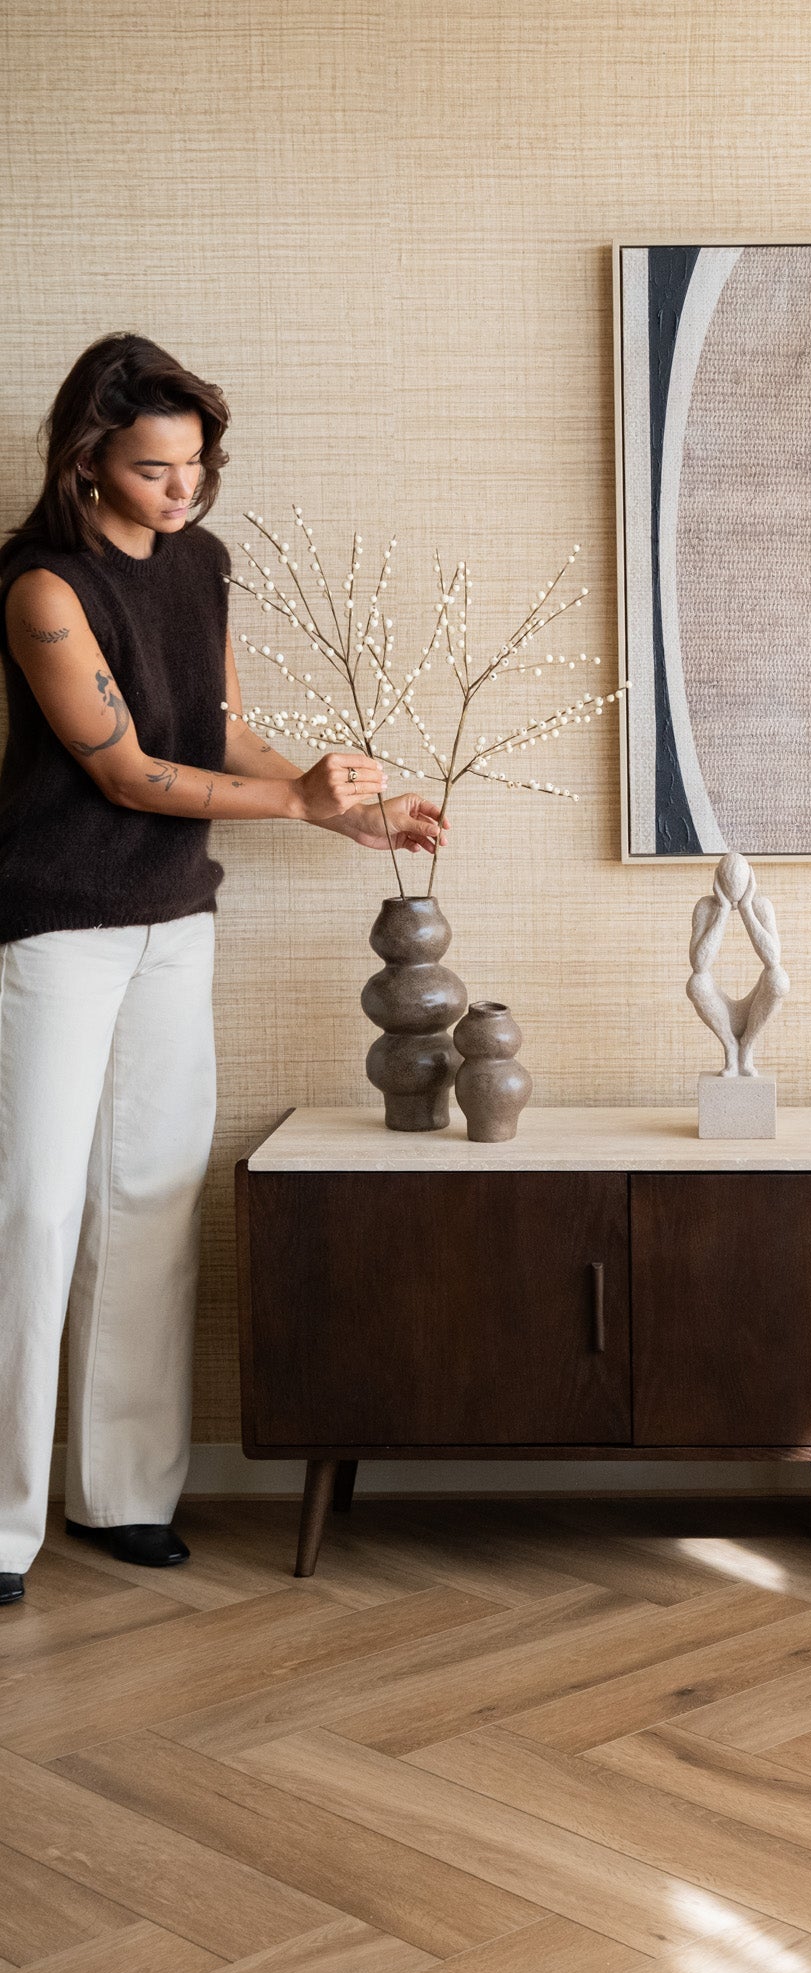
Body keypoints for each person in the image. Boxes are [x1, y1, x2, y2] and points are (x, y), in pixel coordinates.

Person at [0, 333, 445, 1605]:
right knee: (34, 1209)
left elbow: (219, 736)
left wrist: (345, 808)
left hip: (173, 922)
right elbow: (128, 771)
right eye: (154, 468)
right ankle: (2, 1524)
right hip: (54, 925)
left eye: (194, 463)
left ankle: (125, 1493)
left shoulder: (201, 563)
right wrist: (297, 805)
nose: (182, 488)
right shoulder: (39, 588)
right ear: (88, 462)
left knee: (147, 1197)